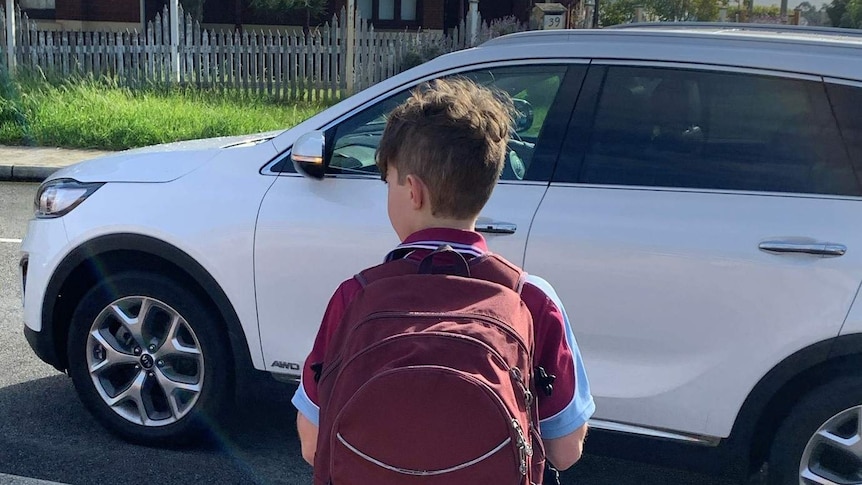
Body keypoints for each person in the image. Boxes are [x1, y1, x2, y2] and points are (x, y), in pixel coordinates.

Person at [291, 77, 595, 482]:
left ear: (413, 191)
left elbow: (313, 444)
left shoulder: (355, 296)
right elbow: (565, 450)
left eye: (389, 182)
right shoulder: (531, 298)